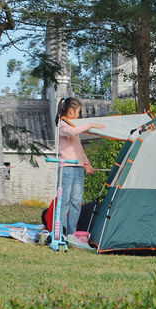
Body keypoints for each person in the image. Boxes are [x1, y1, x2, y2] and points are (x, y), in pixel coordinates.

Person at [55, 97, 105, 243]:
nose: (78, 116)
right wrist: (90, 124)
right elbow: (71, 132)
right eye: (78, 112)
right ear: (70, 111)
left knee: (76, 201)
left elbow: (79, 149)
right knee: (64, 200)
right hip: (67, 168)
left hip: (78, 168)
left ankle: (71, 232)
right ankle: (62, 231)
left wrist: (86, 163)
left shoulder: (73, 127)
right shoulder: (63, 125)